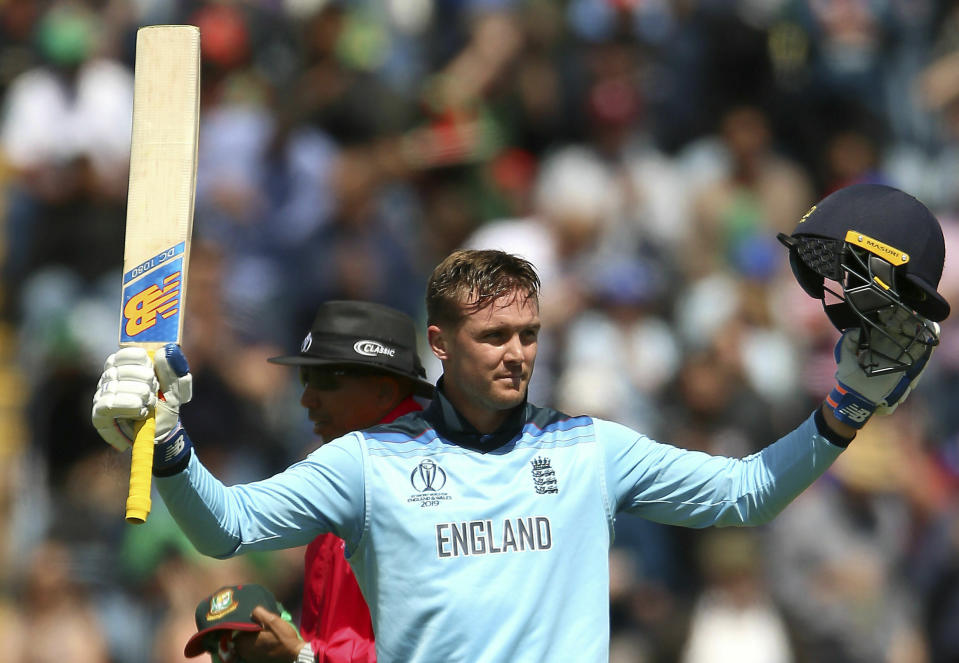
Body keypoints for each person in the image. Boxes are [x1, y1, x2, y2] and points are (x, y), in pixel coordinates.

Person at [92, 184, 948, 662]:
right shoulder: (366, 462)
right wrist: (166, 442)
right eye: (493, 335)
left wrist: (844, 409)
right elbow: (225, 526)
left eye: (529, 334)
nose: (516, 354)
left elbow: (746, 495)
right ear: (438, 343)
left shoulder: (589, 449)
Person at [96, 300, 434, 663]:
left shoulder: (413, 479)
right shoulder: (350, 468)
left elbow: (433, 646)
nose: (306, 399)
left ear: (383, 391)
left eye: (323, 380)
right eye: (305, 379)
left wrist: (302, 656)